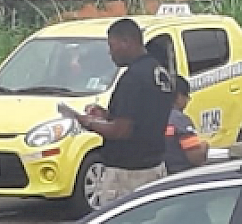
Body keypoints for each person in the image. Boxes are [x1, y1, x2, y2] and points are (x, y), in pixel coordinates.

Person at [59, 18, 173, 207]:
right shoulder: (159, 72)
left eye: (112, 46)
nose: (110, 53)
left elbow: (122, 131)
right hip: (155, 166)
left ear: (127, 42)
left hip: (128, 174)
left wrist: (86, 121)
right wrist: (106, 115)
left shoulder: (133, 78)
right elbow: (141, 117)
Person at [163, 75, 209, 174]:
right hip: (181, 176)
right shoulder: (179, 121)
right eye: (186, 96)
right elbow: (196, 157)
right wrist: (204, 147)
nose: (188, 101)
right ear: (179, 96)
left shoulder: (151, 117)